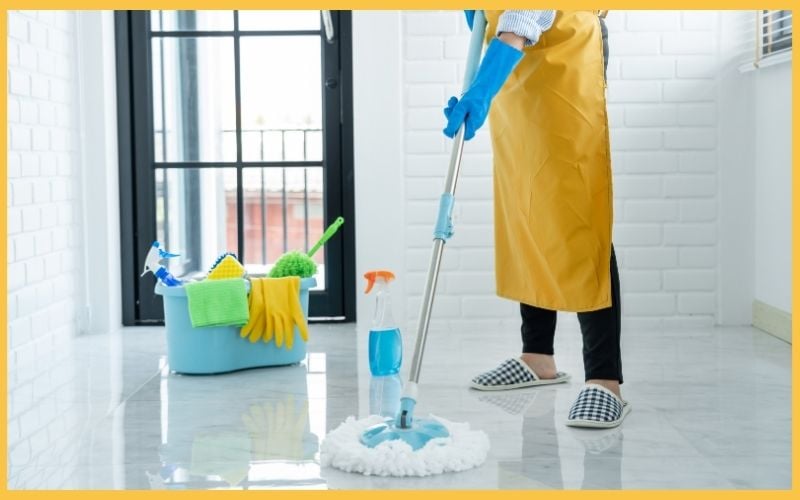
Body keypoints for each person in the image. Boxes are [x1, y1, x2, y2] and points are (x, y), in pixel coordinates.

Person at [443, 10, 629, 428]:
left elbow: (520, 21)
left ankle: (605, 378)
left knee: (578, 217)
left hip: (565, 63)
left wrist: (481, 89)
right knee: (527, 209)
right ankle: (538, 356)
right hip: (520, 74)